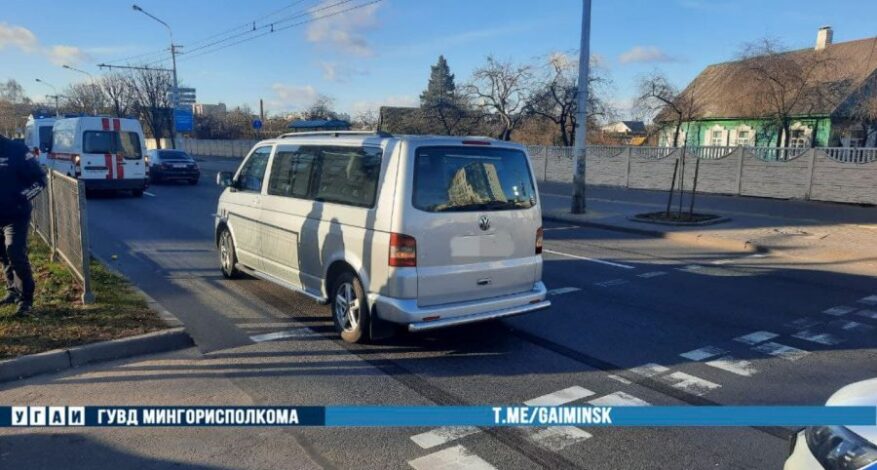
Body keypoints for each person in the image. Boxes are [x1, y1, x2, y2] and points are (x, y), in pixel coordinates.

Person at [0, 134, 46, 316]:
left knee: (14, 252)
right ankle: (13, 290)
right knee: (3, 255)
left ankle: (26, 298)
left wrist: (21, 198)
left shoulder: (16, 150)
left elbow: (40, 180)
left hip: (16, 215)